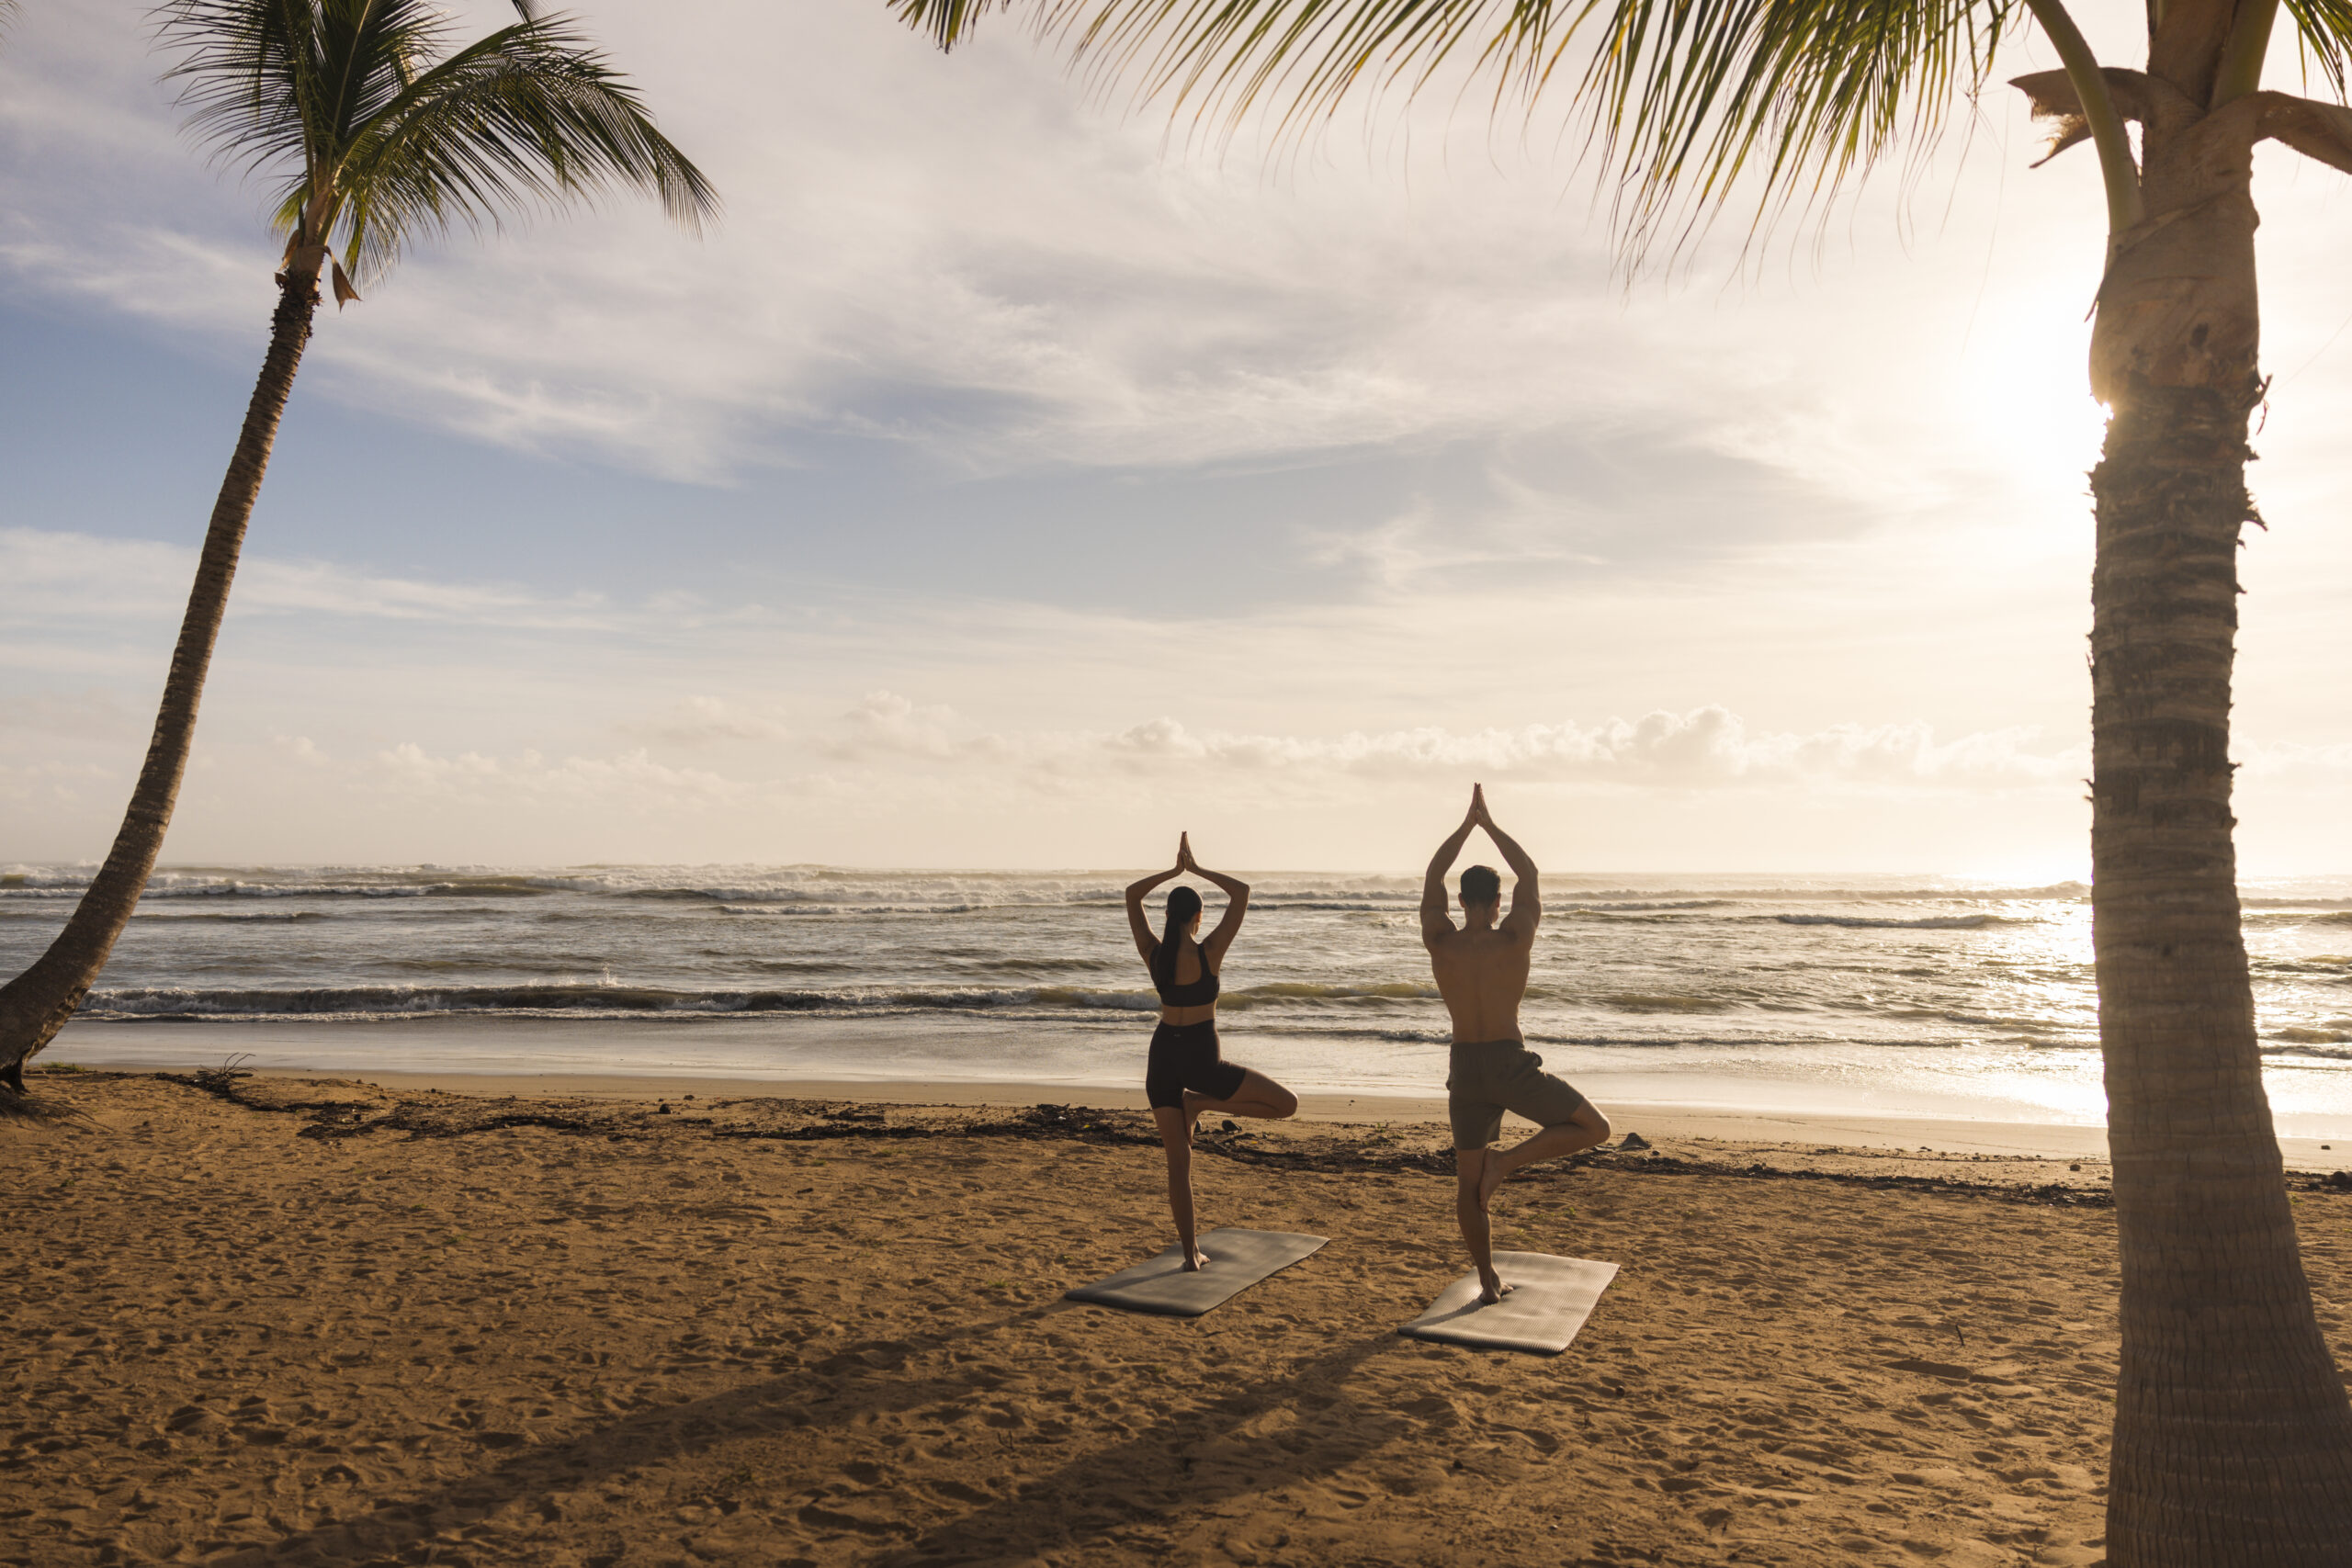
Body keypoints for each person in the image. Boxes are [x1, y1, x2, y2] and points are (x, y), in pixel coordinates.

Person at [1421, 784, 1611, 1303]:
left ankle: (1487, 1281)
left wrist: (1464, 828)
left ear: (1460, 901)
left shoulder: (1440, 939)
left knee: (1466, 1186)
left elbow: (1434, 874)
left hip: (1466, 1068)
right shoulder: (1516, 936)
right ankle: (1504, 1165)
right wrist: (1489, 824)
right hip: (1509, 1062)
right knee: (1595, 1127)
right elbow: (1529, 873)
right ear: (1499, 901)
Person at [1125, 832, 1298, 1269]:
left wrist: (1172, 871)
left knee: (1178, 1165)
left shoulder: (1154, 955)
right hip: (1204, 1061)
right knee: (1286, 1105)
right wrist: (1195, 868)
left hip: (1163, 1057)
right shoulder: (1210, 953)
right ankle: (1199, 1101)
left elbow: (1131, 895)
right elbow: (1241, 893)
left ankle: (1190, 1254)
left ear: (1168, 915)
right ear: (1199, 917)